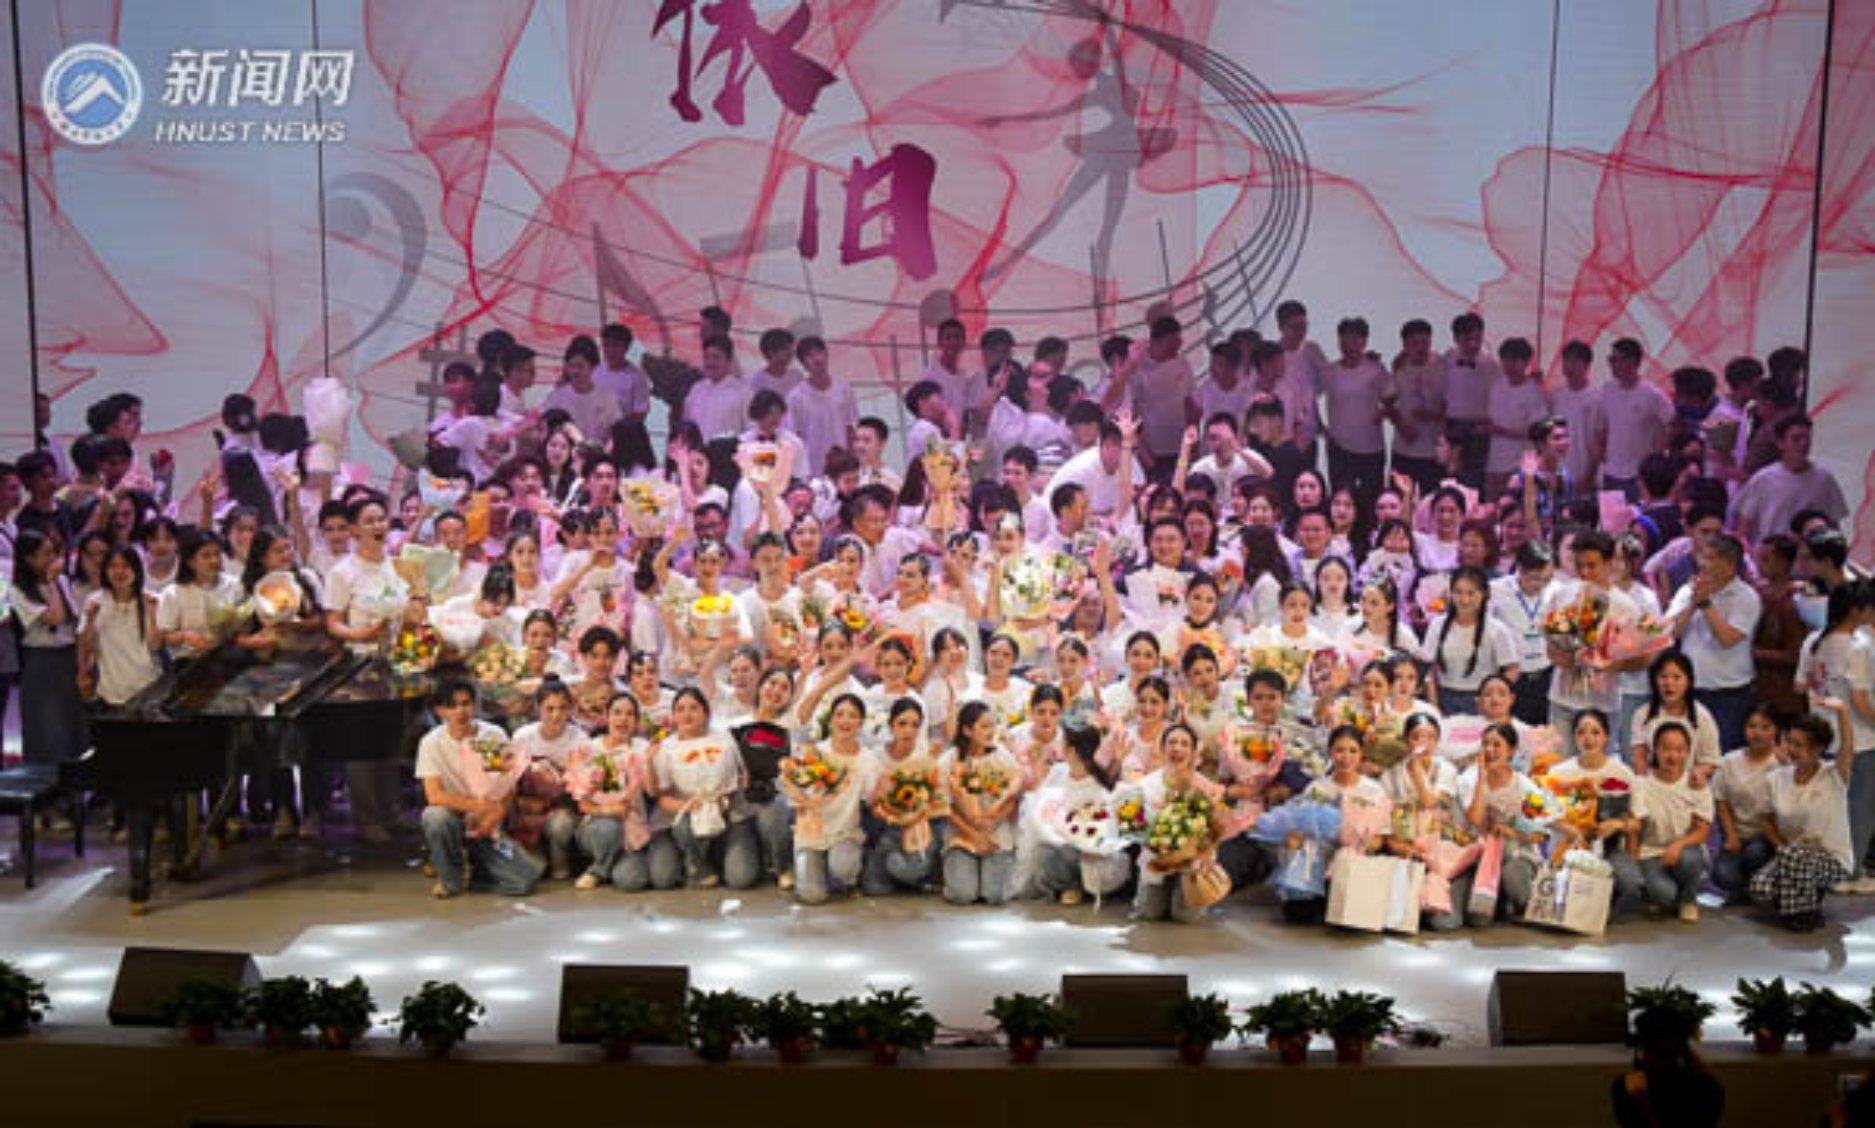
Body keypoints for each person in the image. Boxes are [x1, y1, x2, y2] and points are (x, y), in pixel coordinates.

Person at [415, 678, 544, 899]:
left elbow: (506, 785)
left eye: (465, 703)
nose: (460, 711)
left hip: (487, 820)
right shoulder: (431, 743)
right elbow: (434, 795)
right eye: (452, 706)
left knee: (523, 882)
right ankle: (450, 879)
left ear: (474, 705)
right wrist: (476, 805)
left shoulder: (491, 735)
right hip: (455, 816)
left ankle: (476, 871)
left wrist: (494, 816)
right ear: (440, 711)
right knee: (434, 816)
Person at [1793, 580, 1875, 892]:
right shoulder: (1858, 646)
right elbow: (1860, 700)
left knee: (1826, 812)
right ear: (1856, 610)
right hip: (1859, 739)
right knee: (1859, 810)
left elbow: (1800, 685)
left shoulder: (1813, 640)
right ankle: (1849, 873)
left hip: (1820, 739)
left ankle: (1827, 870)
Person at [1753, 705, 1859, 930]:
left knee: (1793, 858)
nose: (1791, 749)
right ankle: (1804, 904)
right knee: (1760, 887)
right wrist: (1780, 846)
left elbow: (1848, 747)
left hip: (1831, 858)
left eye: (1798, 745)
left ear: (1817, 749)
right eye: (1789, 742)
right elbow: (1764, 818)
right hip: (1793, 855)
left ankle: (1803, 914)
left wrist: (1842, 711)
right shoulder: (1775, 778)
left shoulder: (1833, 775)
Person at [1664, 534, 1760, 752]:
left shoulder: (1746, 597)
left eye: (1711, 558)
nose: (1703, 564)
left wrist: (1705, 604)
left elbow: (1728, 639)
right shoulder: (1688, 591)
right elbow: (1670, 633)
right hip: (1690, 688)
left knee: (1721, 753)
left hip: (1729, 692)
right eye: (1703, 557)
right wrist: (1692, 604)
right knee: (1687, 751)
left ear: (1730, 566)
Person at [1612, 722, 1711, 922]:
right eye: (1666, 749)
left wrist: (1678, 845)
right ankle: (1664, 895)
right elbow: (1636, 829)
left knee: (1690, 860)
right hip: (1651, 853)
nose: (1672, 756)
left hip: (1685, 850)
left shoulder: (1696, 784)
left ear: (1688, 752)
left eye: (1679, 750)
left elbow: (1702, 830)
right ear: (1655, 750)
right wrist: (1634, 867)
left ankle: (1688, 899)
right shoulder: (1642, 784)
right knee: (1663, 894)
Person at [939, 700, 1027, 905]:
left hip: (995, 833)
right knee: (963, 895)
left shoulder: (1001, 756)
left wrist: (991, 823)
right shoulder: (949, 760)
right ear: (967, 730)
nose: (991, 731)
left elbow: (1012, 798)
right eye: (985, 726)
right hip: (961, 835)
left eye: (992, 726)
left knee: (994, 895)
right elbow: (944, 807)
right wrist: (973, 834)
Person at [1730, 415, 1848, 546]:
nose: (1803, 444)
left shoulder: (1824, 479)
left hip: (1809, 554)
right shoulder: (1763, 479)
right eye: (1796, 439)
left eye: (1807, 438)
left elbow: (1833, 525)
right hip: (1772, 554)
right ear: (1781, 443)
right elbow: (1744, 526)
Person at [1710, 703, 1782, 901]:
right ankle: (1752, 886)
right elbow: (1721, 801)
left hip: (1767, 837)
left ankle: (1762, 882)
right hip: (1737, 835)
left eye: (1765, 727)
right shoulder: (1728, 761)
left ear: (1776, 731)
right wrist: (1731, 835)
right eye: (1752, 726)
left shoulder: (1781, 764)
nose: (1757, 733)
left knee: (1755, 853)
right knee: (1722, 876)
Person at [1321, 316, 1392, 500]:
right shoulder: (1330, 371)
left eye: (1354, 339)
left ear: (1364, 342)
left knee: (1371, 498)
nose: (1348, 344)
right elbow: (1309, 396)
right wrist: (1320, 428)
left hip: (1371, 447)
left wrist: (1383, 412)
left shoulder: (1375, 369)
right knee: (1340, 498)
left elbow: (1392, 396)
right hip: (1339, 448)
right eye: (1344, 339)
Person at [1599, 337, 1674, 499]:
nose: (1612, 365)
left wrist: (1657, 454)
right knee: (1609, 515)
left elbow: (1672, 424)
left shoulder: (1652, 394)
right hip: (1611, 472)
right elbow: (1606, 423)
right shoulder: (1608, 389)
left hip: (1638, 475)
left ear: (1633, 362)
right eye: (1611, 360)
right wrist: (1602, 450)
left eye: (1616, 360)